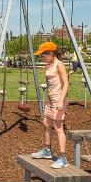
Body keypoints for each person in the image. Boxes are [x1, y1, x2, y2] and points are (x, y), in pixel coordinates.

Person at [31, 41, 70, 169]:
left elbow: (66, 83)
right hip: (51, 100)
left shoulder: (59, 65)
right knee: (46, 123)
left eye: (44, 54)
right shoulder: (48, 65)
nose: (42, 57)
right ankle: (47, 151)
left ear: (51, 53)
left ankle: (63, 158)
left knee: (59, 128)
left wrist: (60, 100)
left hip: (59, 100)